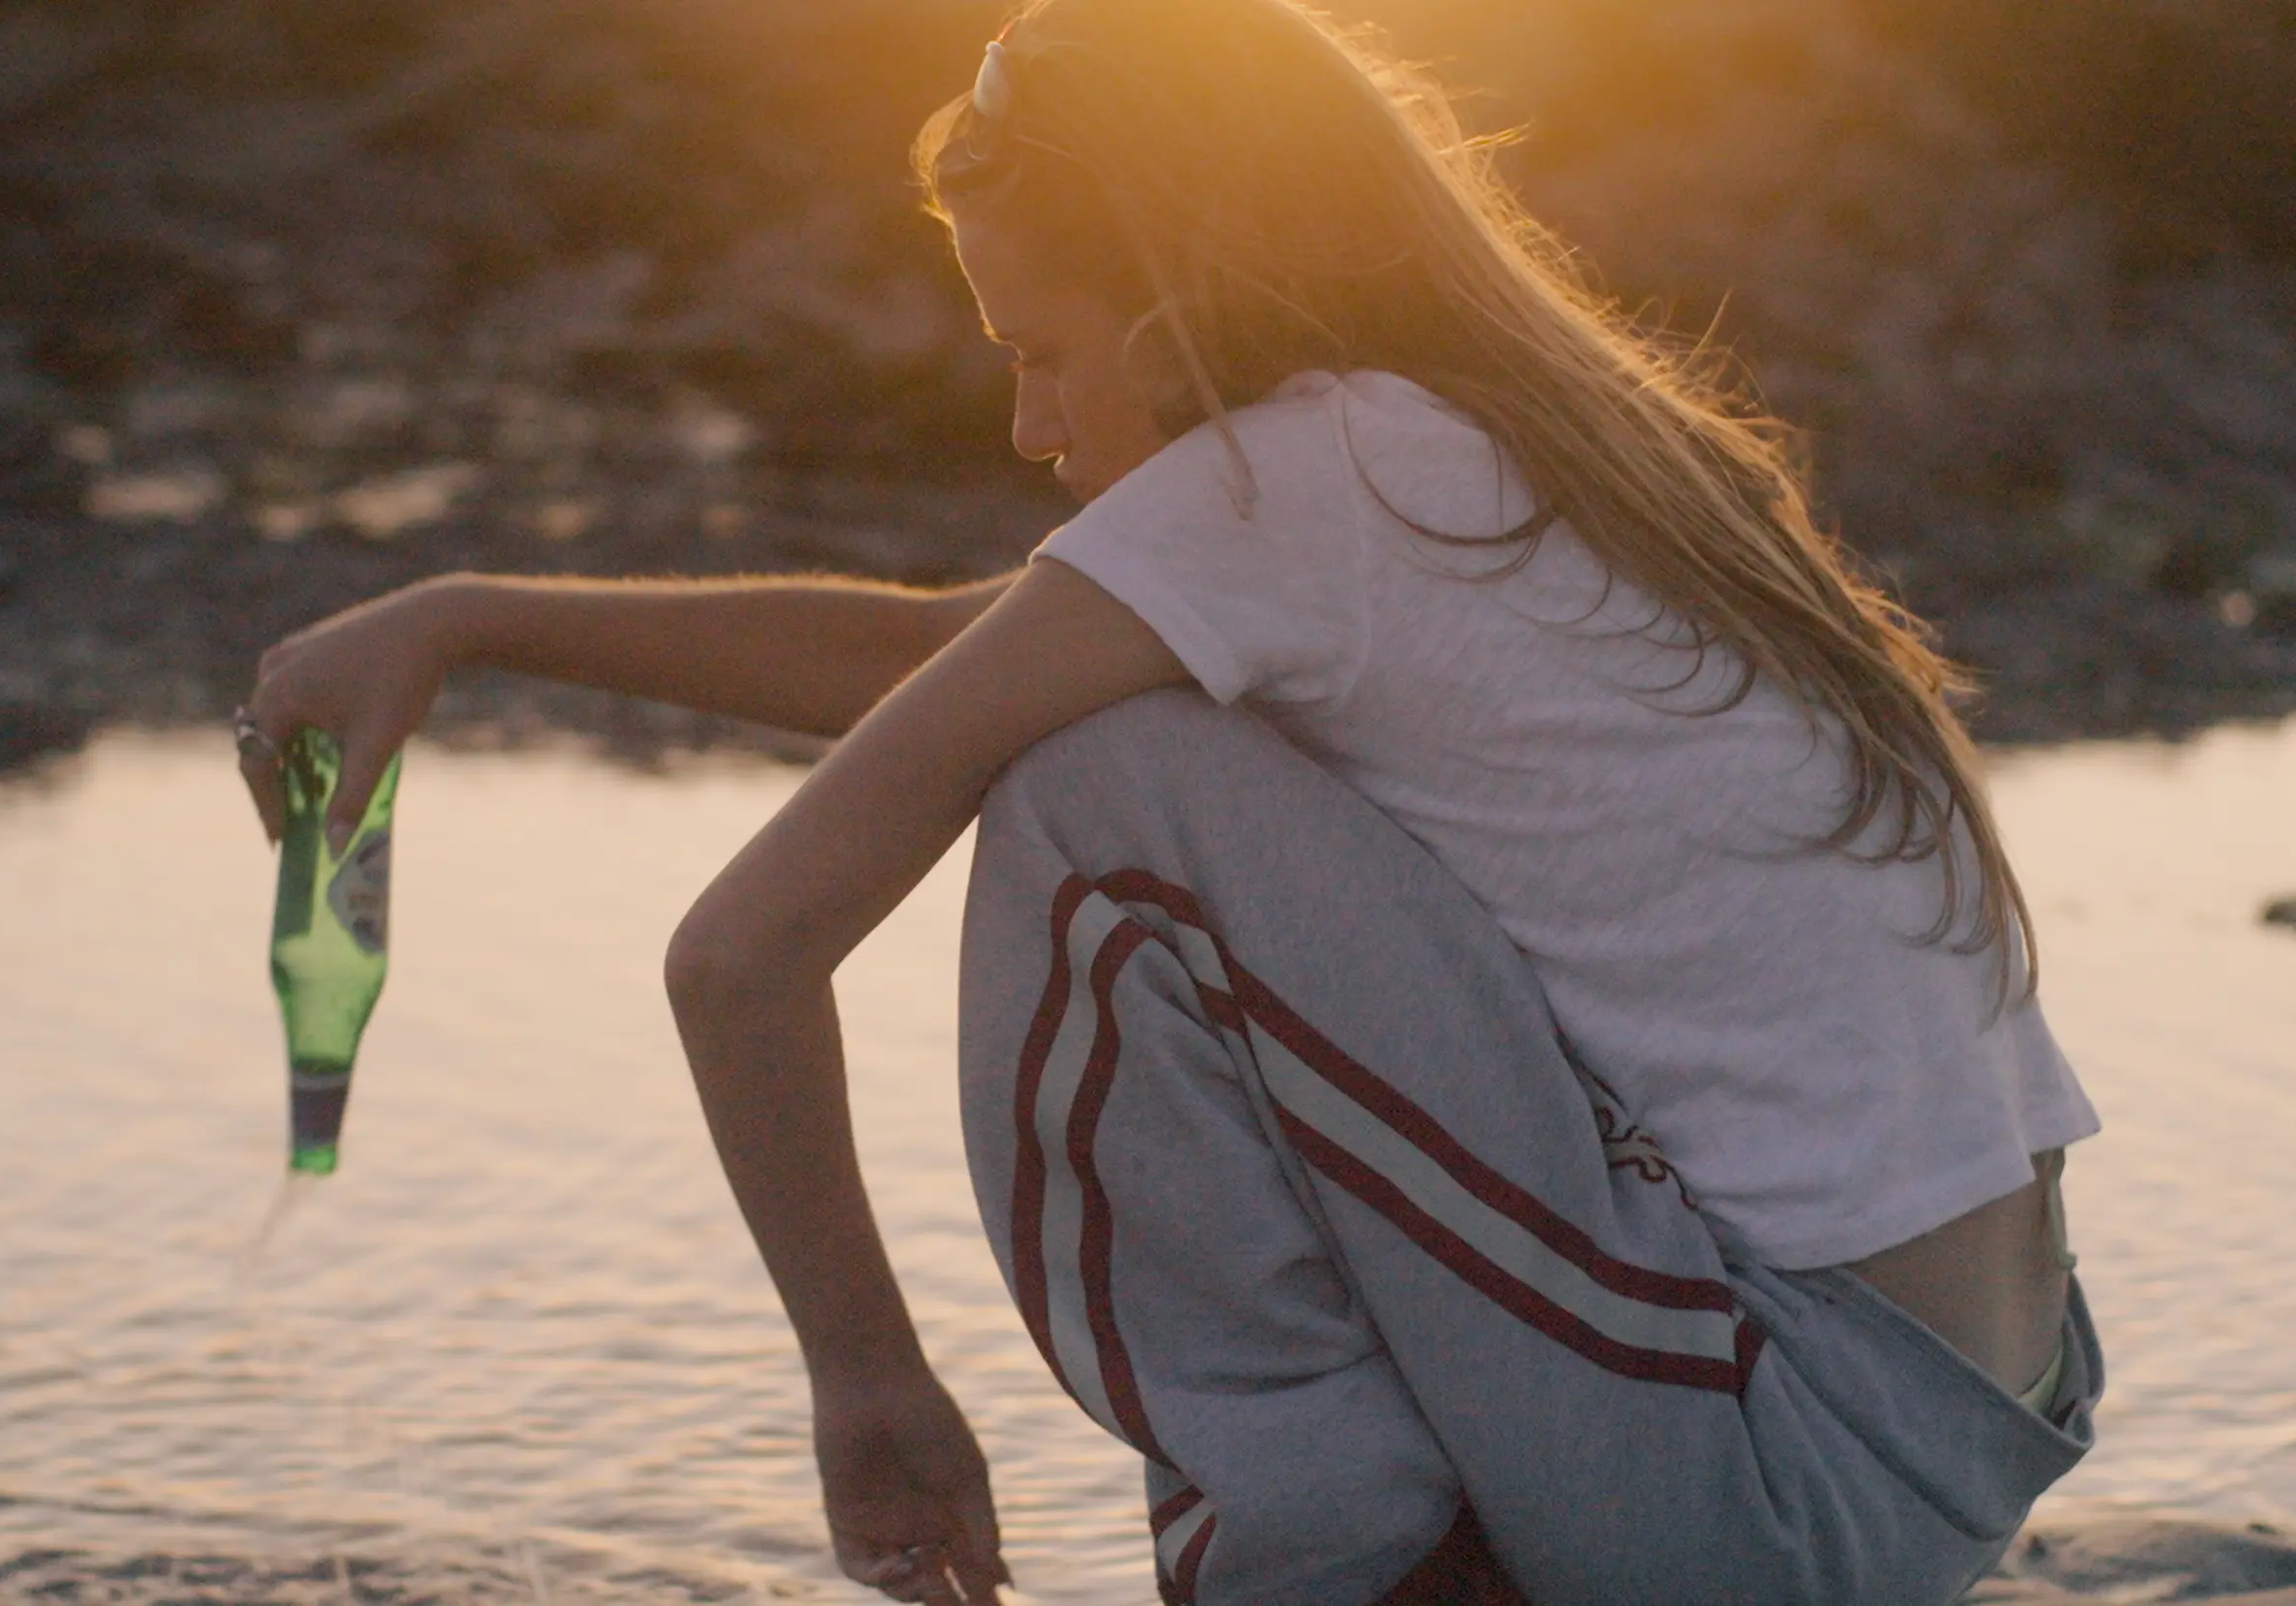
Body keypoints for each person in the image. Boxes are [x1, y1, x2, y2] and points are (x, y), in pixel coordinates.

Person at [233, 2, 2101, 1600]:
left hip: (1773, 1480)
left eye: (1039, 350)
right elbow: (949, 651)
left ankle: (1323, 1554)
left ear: (1186, 292)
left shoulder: (1304, 487)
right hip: (1937, 1427)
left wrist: (868, 1387)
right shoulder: (1514, 451)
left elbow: (737, 955)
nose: (1030, 430)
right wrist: (467, 618)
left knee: (1096, 794)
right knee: (1097, 737)